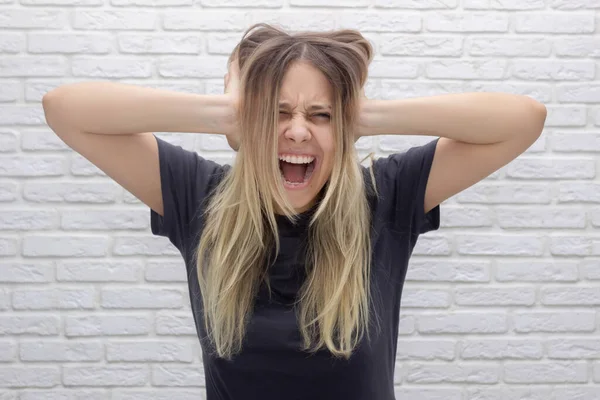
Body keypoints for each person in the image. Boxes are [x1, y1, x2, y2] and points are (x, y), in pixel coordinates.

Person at [42, 23, 546, 400]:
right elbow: (65, 109)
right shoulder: (201, 196)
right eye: (276, 113)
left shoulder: (385, 197)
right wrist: (230, 112)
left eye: (320, 115)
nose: (299, 131)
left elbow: (523, 120)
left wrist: (358, 114)